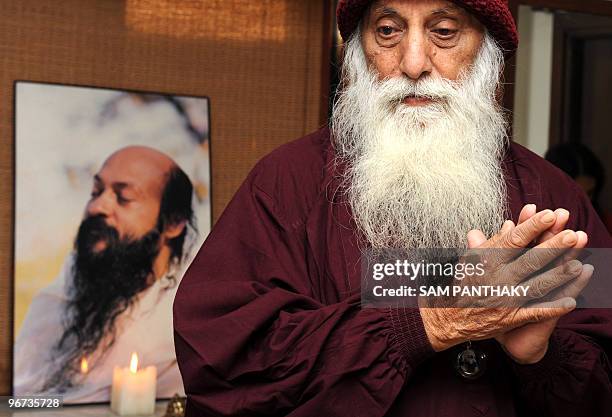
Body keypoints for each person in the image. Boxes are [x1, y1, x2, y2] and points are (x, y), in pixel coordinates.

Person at [174, 1, 612, 416]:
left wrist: (542, 358)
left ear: (487, 50)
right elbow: (224, 369)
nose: (414, 64)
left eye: (443, 32)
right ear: (358, 52)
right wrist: (433, 320)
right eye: (388, 31)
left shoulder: (555, 195)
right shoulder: (286, 182)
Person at [15, 146, 197, 403]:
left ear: (174, 223)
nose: (97, 207)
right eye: (96, 192)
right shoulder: (56, 299)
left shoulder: (185, 332)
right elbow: (20, 396)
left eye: (123, 197)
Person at [545, 142, 612, 234]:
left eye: (590, 193)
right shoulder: (542, 220)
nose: (585, 202)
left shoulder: (605, 225)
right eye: (575, 195)